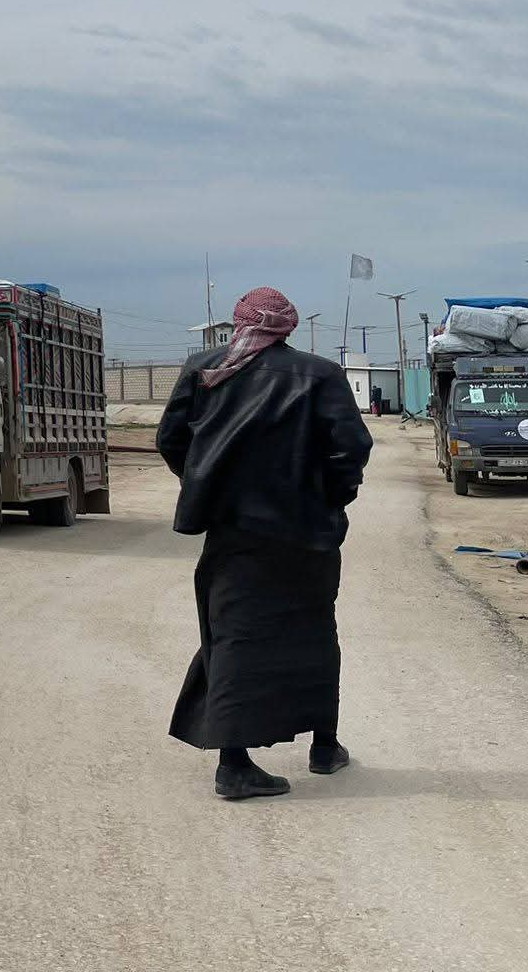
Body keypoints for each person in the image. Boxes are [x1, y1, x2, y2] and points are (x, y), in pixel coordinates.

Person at [157, 287, 373, 801]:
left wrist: (207, 484)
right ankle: (323, 747)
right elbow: (351, 449)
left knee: (233, 633)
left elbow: (172, 441)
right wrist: (328, 500)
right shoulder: (320, 374)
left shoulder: (203, 368)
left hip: (233, 530)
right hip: (306, 533)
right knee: (314, 628)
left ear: (237, 324)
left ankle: (237, 762)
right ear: (288, 327)